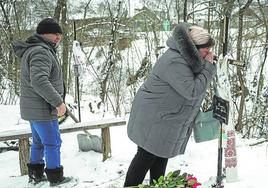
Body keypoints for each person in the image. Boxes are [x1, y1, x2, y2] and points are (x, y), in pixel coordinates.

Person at [124, 22, 217, 187]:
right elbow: (193, 91)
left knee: (160, 156)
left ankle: (157, 185)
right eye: (206, 51)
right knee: (145, 157)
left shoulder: (186, 58)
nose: (209, 54)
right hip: (154, 118)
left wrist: (206, 64)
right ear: (194, 48)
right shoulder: (175, 61)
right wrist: (208, 67)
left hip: (165, 118)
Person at [12, 18, 73, 186]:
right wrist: (58, 102)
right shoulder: (41, 51)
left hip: (35, 108)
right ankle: (56, 178)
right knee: (53, 142)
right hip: (42, 108)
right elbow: (39, 81)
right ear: (43, 33)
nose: (58, 37)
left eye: (60, 34)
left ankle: (36, 175)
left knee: (39, 142)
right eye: (55, 33)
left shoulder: (35, 49)